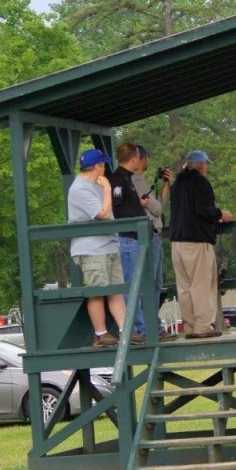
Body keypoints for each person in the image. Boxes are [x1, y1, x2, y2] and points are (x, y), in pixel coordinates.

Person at [67, 148, 145, 347]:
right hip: (92, 248)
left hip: (109, 245)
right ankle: (101, 334)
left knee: (116, 290)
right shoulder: (80, 188)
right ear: (96, 167)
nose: (105, 167)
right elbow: (102, 213)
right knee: (97, 291)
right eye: (102, 164)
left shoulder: (97, 184)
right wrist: (108, 189)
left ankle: (125, 331)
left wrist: (105, 189)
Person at [169, 150, 233, 338]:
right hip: (196, 241)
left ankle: (189, 326)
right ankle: (203, 326)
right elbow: (204, 210)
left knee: (184, 287)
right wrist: (221, 214)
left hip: (177, 242)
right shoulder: (200, 182)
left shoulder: (177, 184)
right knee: (201, 285)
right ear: (203, 165)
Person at [131, 145, 178, 343]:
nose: (148, 161)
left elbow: (156, 206)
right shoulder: (135, 181)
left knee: (156, 284)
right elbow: (156, 209)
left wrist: (166, 185)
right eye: (147, 157)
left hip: (156, 234)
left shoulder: (143, 181)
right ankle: (147, 326)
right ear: (141, 158)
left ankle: (153, 324)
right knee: (147, 284)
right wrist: (155, 204)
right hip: (147, 237)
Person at [109, 143, 148, 344]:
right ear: (134, 158)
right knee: (130, 285)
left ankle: (141, 326)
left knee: (137, 285)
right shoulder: (118, 179)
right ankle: (132, 328)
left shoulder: (127, 179)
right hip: (125, 238)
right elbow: (117, 208)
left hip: (134, 238)